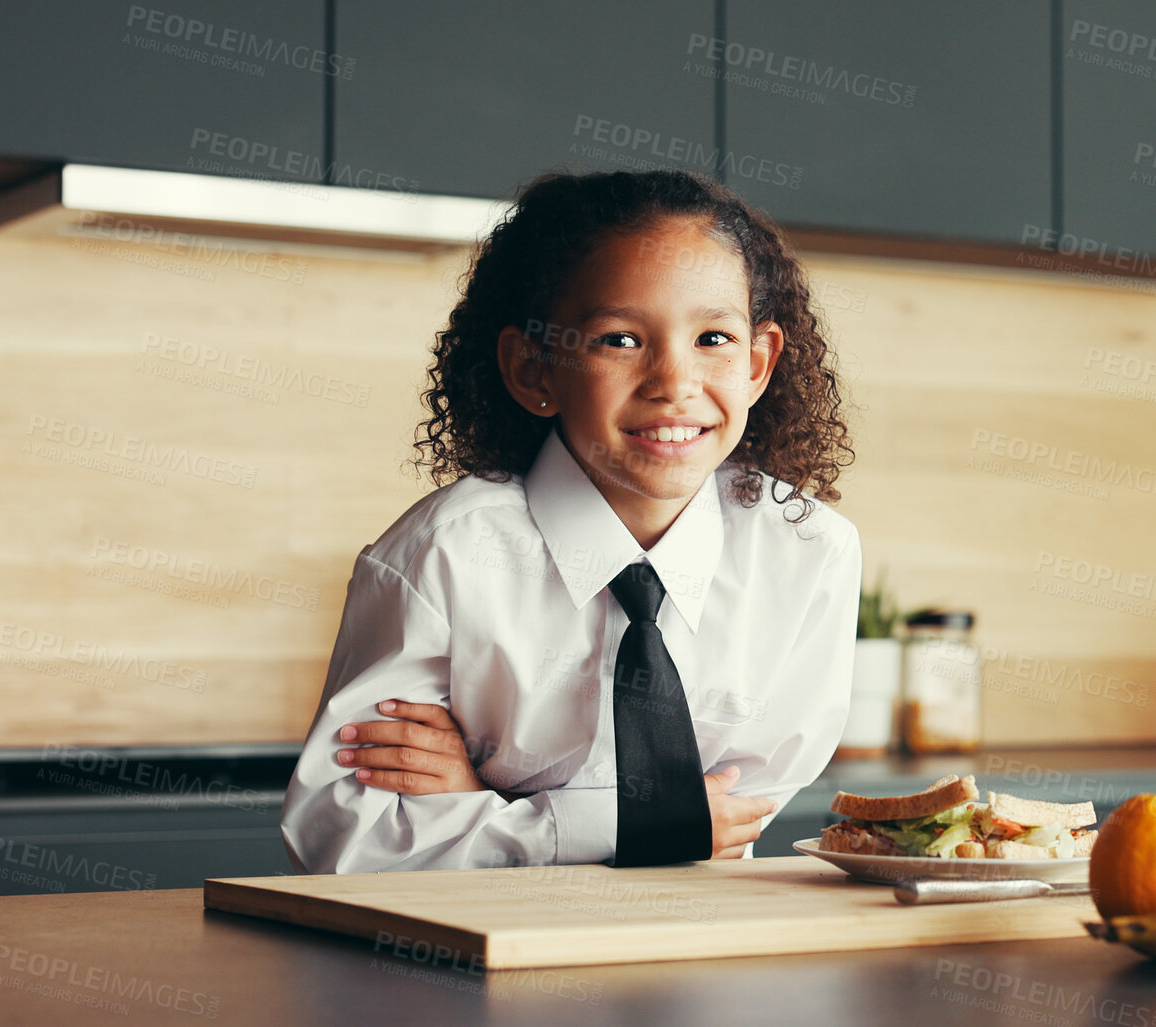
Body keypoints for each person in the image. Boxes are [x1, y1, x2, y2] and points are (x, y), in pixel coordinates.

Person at [280, 169, 861, 873]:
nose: (674, 383)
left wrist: (481, 803)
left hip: (699, 948)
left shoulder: (807, 554)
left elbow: (730, 818)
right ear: (534, 369)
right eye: (618, 340)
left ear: (758, 364)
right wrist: (594, 824)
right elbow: (342, 838)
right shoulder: (443, 556)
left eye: (713, 338)